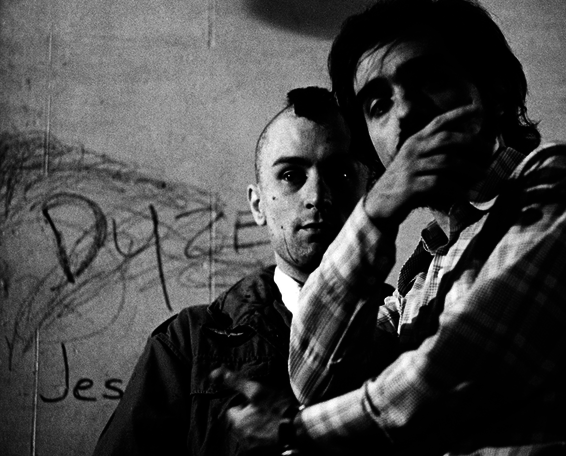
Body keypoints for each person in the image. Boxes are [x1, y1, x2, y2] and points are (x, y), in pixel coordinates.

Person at [219, 1, 566, 455]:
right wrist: (374, 212)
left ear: (495, 87)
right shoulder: (421, 276)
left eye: (429, 78)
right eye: (378, 105)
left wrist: (294, 430)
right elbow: (315, 380)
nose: (405, 113)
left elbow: (460, 373)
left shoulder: (564, 180)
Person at [91, 87, 371, 456]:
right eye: (290, 175)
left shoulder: (412, 322)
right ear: (257, 205)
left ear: (370, 191)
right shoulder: (188, 343)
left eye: (341, 173)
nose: (317, 196)